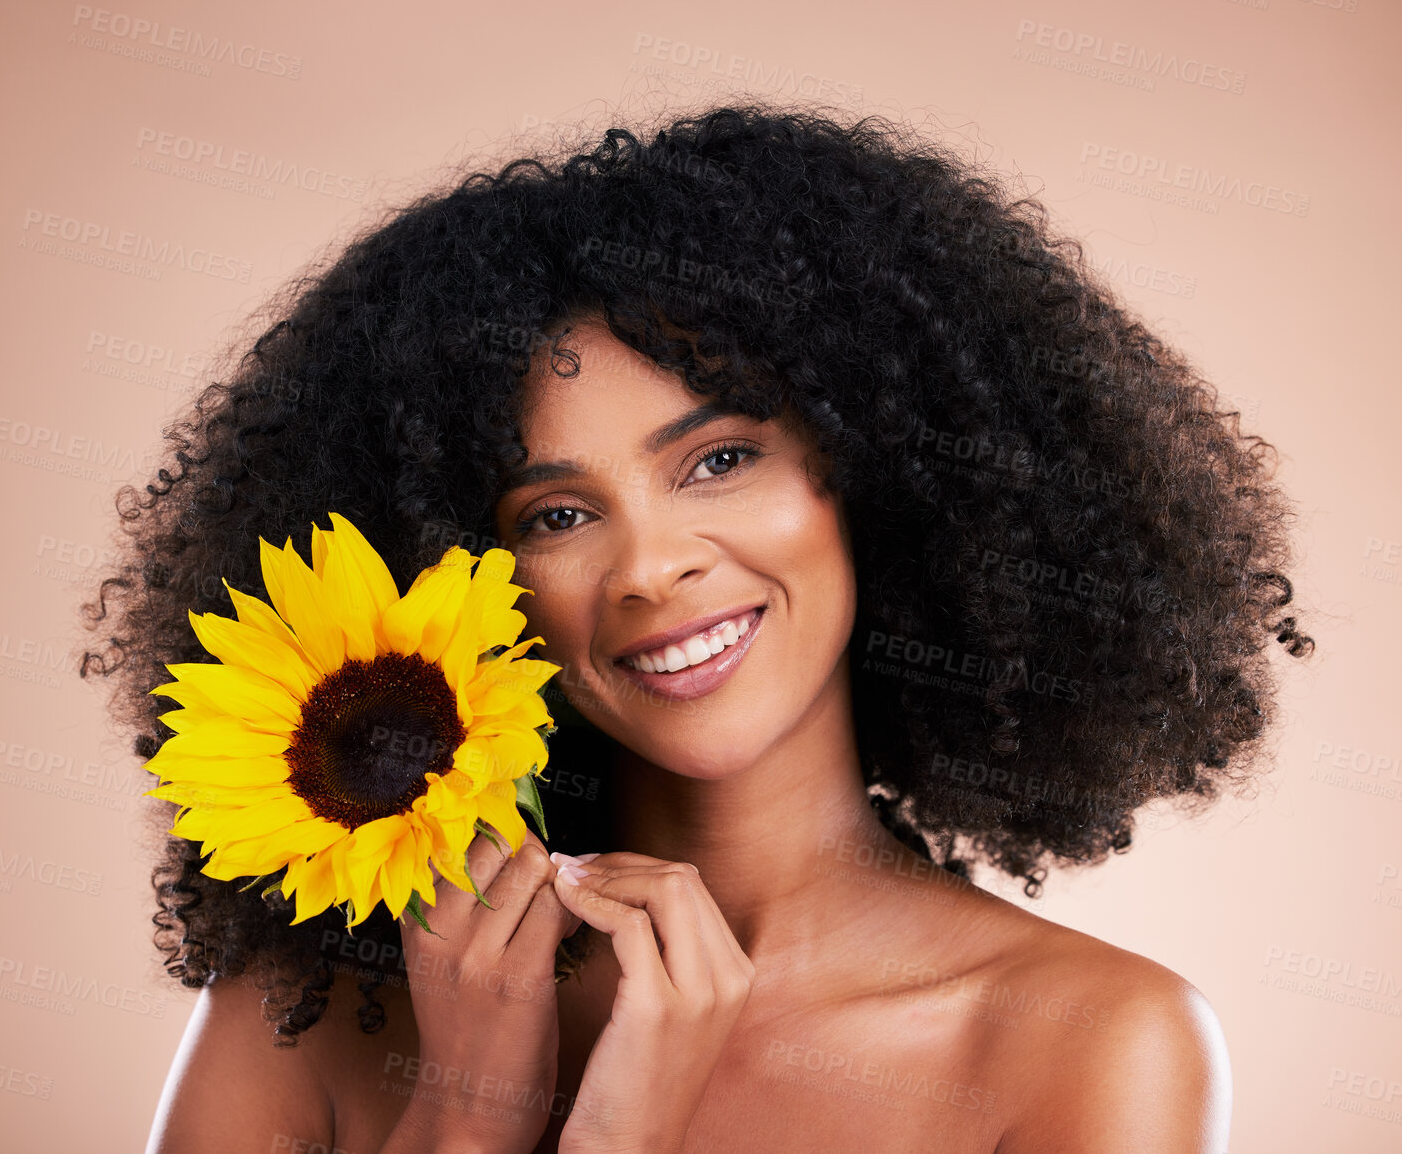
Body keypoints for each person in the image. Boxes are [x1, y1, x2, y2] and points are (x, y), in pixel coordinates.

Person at [81, 101, 1310, 1153]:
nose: (651, 568)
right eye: (559, 512)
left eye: (719, 459)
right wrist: (463, 1125)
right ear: (462, 570)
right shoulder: (309, 1010)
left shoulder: (1083, 1044)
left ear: (871, 473)